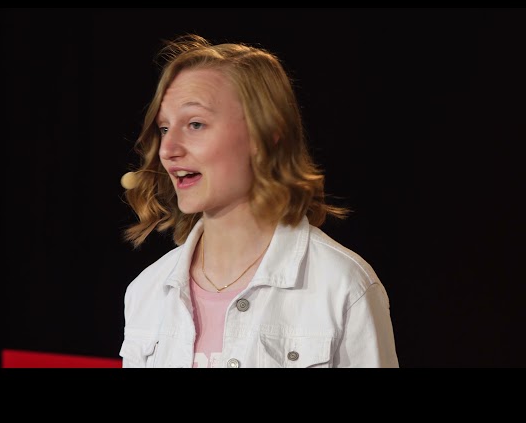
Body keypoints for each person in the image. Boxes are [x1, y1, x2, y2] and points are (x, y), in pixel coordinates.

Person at [118, 33, 399, 368]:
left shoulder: (343, 287)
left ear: (265, 133)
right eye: (164, 128)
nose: (168, 150)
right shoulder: (146, 292)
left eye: (195, 124)